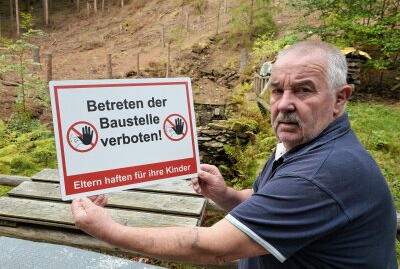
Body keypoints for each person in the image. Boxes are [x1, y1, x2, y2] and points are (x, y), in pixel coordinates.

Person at [71, 41, 398, 268]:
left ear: (340, 99)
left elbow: (214, 249)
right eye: (277, 89)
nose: (284, 103)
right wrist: (225, 194)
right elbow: (266, 199)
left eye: (304, 89)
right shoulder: (306, 142)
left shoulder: (322, 173)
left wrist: (108, 230)